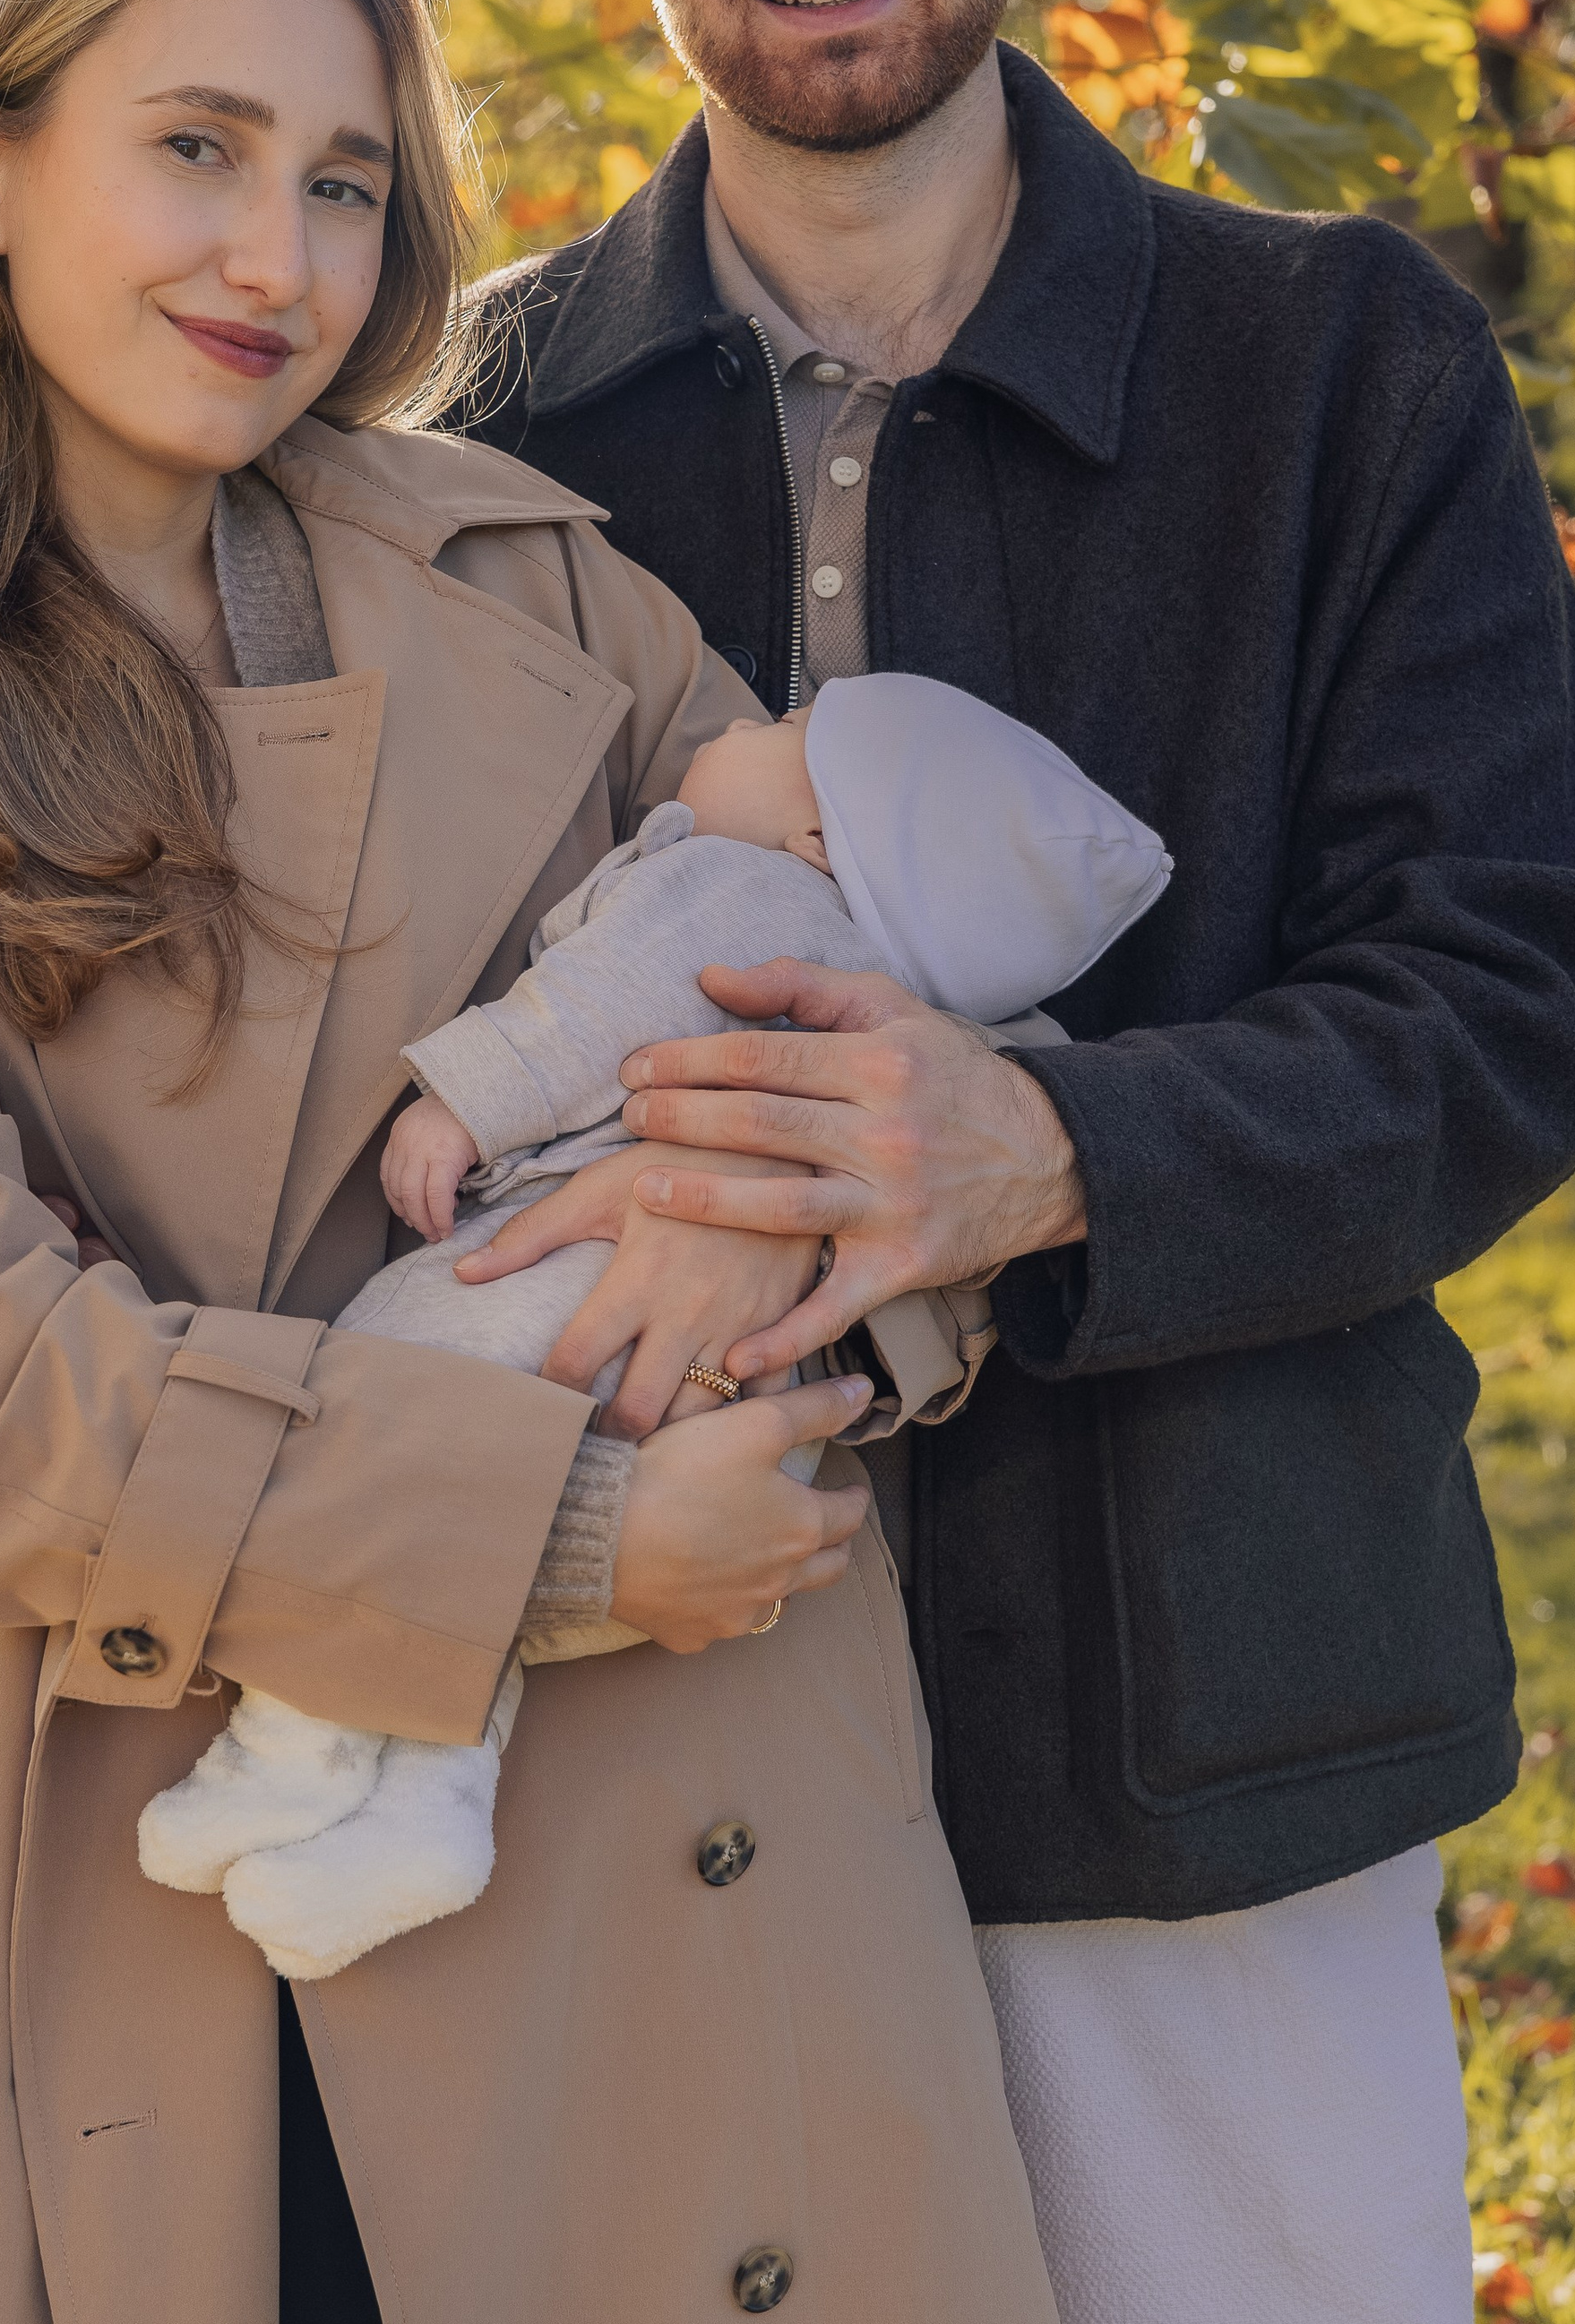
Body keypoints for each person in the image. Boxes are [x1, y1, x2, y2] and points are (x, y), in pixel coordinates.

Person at [0, 0, 1122, 2324]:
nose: (273, 252)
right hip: (175, 1843)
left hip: (709, 1837)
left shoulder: (536, 587)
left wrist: (795, 1295)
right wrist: (552, 1535)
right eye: (193, 146)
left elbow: (864, 1042)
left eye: (339, 176)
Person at [460, 0, 1575, 2324]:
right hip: (647, 1709)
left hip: (1208, 1703)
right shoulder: (476, 437)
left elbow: (1512, 986)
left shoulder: (1332, 359)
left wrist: (1055, 1150)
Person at [137, 675, 1169, 1980]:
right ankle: (424, 1802)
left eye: (787, 739)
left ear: (818, 843)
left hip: (568, 1280)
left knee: (382, 1423)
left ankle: (294, 1759)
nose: (742, 726)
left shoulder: (748, 896)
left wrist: (461, 1106)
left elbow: (592, 1009)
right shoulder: (954, 1036)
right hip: (741, 1380)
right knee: (491, 1545)